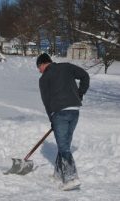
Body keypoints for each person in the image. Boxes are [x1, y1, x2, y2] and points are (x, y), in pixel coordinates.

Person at [36, 53, 90, 190]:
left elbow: (46, 102)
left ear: (43, 64)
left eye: (38, 67)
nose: (39, 70)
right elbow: (85, 76)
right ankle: (58, 174)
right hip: (74, 111)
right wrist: (80, 93)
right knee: (65, 144)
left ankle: (71, 178)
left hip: (59, 113)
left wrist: (51, 119)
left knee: (64, 147)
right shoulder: (66, 67)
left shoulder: (43, 79)